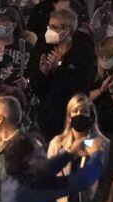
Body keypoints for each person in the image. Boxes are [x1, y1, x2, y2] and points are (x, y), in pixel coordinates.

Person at [26, 8, 97, 140]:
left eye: (53, 27)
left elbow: (80, 86)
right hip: (47, 115)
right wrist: (44, 72)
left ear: (66, 30)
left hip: (73, 115)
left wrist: (58, 69)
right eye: (49, 26)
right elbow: (36, 85)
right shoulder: (43, 48)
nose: (49, 30)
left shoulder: (83, 52)